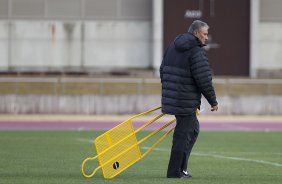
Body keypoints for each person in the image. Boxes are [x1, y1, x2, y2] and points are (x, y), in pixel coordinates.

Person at [160, 20, 218, 179]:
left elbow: (162, 69)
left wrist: (168, 91)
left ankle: (181, 169)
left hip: (175, 97)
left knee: (192, 131)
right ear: (195, 33)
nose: (206, 37)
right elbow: (203, 79)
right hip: (185, 100)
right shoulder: (196, 51)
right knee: (183, 135)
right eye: (204, 34)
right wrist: (213, 101)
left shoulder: (173, 45)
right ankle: (175, 172)